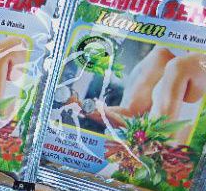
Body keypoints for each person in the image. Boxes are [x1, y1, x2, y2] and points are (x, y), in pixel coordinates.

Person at [76, 49, 206, 143]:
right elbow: (131, 112)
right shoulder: (164, 54)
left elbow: (157, 135)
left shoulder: (181, 66)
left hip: (162, 163)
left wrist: (101, 112)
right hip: (145, 153)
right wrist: (92, 109)